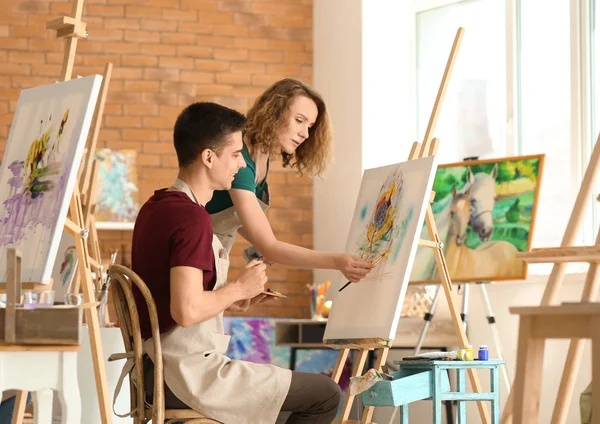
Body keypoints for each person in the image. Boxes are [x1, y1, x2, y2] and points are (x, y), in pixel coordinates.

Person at [131, 102, 342, 424]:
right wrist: (238, 288)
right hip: (184, 377)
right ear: (208, 157)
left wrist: (232, 298)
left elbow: (167, 300)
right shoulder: (191, 218)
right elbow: (185, 311)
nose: (242, 163)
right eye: (234, 154)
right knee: (326, 394)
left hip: (149, 371)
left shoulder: (156, 207)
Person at [206, 78, 373, 283]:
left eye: (310, 126)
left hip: (214, 255)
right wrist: (337, 261)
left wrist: (259, 243)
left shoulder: (261, 157)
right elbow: (271, 247)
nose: (305, 134)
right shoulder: (239, 158)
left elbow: (232, 215)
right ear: (274, 112)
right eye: (299, 120)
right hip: (194, 253)